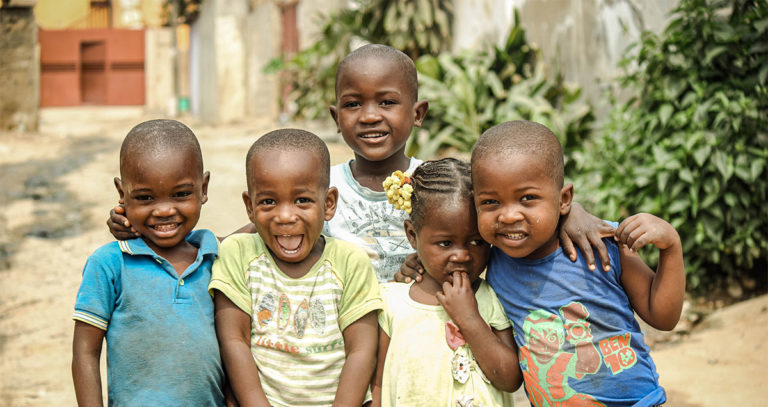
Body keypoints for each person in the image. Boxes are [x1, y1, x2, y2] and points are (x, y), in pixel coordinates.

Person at [105, 44, 614, 283]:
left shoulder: (439, 183)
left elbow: (512, 201)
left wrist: (576, 213)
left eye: (386, 102)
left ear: (418, 114)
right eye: (353, 104)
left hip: (427, 332)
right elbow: (252, 230)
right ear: (335, 115)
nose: (369, 117)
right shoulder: (316, 187)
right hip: (343, 338)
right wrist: (153, 228)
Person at [472, 120, 685, 406]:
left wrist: (671, 247)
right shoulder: (491, 258)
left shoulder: (603, 244)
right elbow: (445, 243)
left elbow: (663, 317)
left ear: (564, 200)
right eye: (491, 203)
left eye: (527, 198)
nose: (509, 216)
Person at [209, 128, 382, 407]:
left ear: (328, 204)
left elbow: (361, 351)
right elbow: (234, 341)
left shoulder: (350, 262)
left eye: (302, 200)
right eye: (268, 202)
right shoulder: (238, 255)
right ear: (249, 207)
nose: (286, 216)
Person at [71, 119, 228, 406]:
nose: (165, 210)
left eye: (181, 194)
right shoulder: (109, 264)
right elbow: (85, 352)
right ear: (122, 194)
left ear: (203, 188)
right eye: (145, 198)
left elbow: (257, 229)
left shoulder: (216, 255)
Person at [372, 158, 521, 407]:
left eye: (476, 242)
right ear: (412, 235)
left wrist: (469, 317)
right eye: (445, 243)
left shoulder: (491, 297)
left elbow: (510, 379)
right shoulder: (392, 303)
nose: (462, 255)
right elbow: (377, 384)